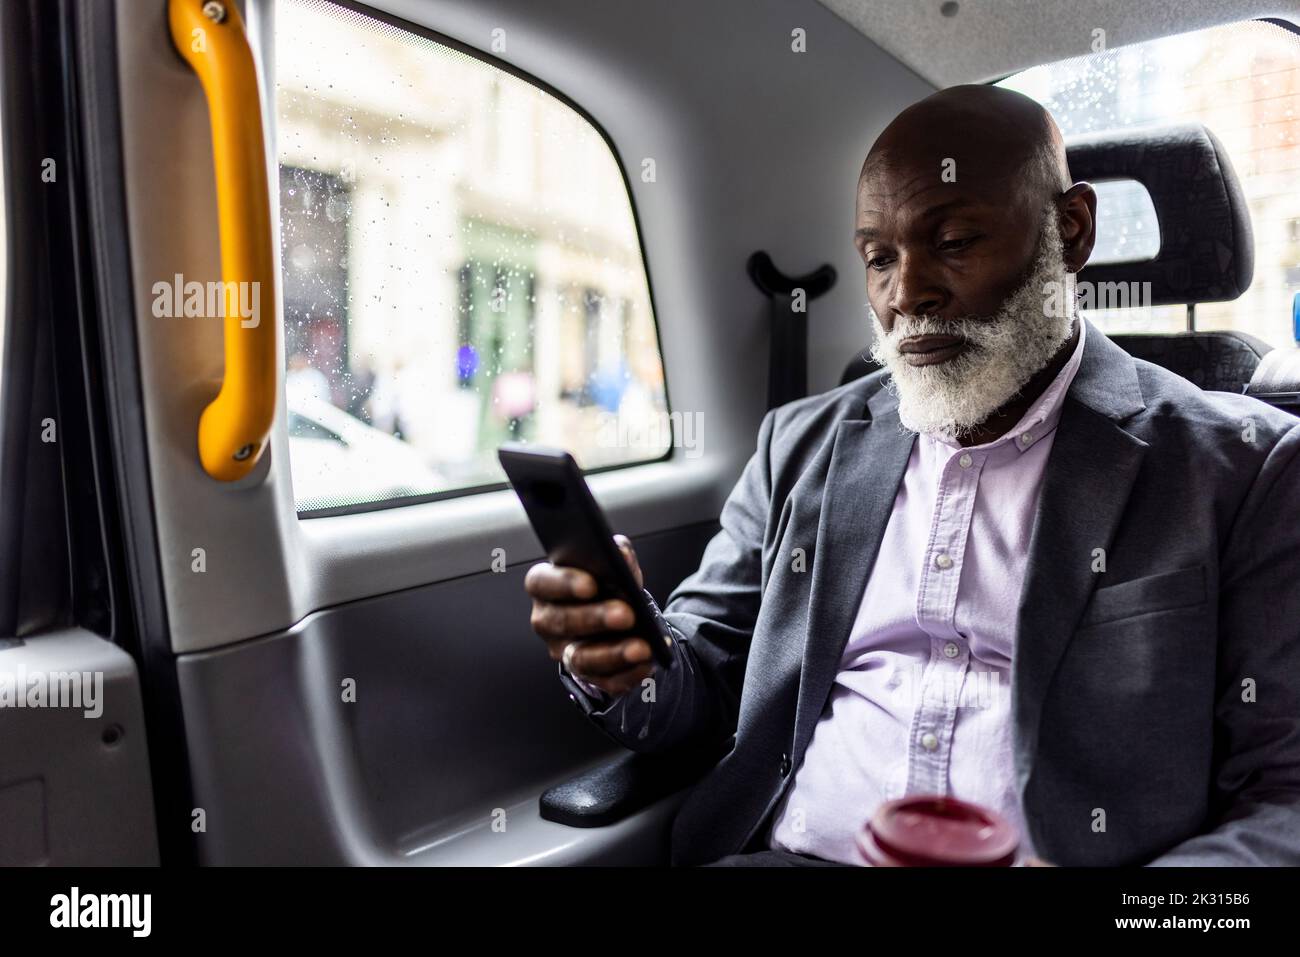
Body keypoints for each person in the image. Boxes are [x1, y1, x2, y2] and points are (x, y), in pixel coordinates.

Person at [524, 85, 1300, 866]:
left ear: (1071, 230)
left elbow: (1285, 795)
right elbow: (698, 695)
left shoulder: (1243, 468)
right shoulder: (800, 445)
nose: (908, 294)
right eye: (879, 258)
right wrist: (628, 663)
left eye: (955, 241)